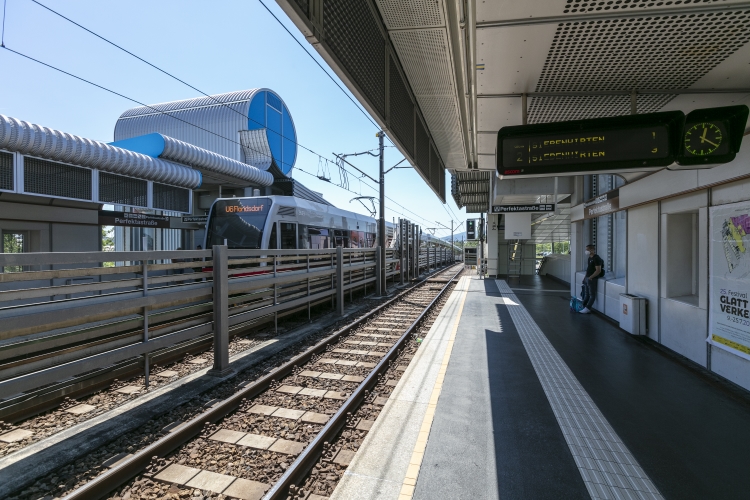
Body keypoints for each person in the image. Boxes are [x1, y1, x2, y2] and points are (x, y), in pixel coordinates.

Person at [580, 244, 604, 314]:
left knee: (592, 295)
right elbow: (588, 269)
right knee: (587, 294)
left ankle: (588, 308)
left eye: (587, 250)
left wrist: (591, 277)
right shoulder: (589, 258)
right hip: (588, 278)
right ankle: (584, 306)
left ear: (592, 250)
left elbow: (598, 270)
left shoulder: (596, 258)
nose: (586, 251)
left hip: (592, 279)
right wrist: (585, 277)